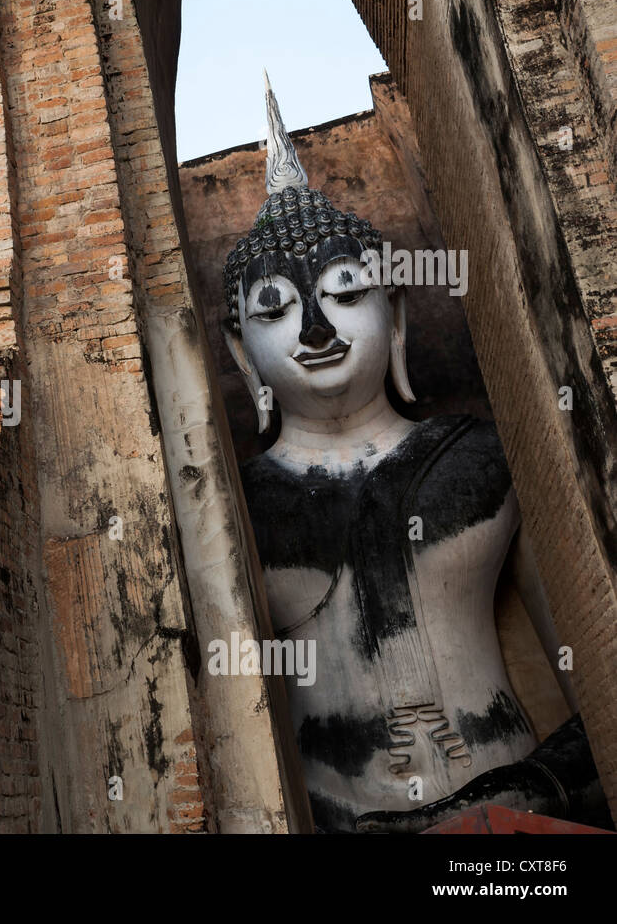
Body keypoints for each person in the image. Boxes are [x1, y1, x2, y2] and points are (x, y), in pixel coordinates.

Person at [220, 75, 608, 833]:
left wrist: (534, 792)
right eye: (274, 307)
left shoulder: (483, 459)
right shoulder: (232, 518)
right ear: (241, 353)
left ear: (394, 315)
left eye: (343, 289)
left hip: (517, 818)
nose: (314, 330)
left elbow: (597, 667)